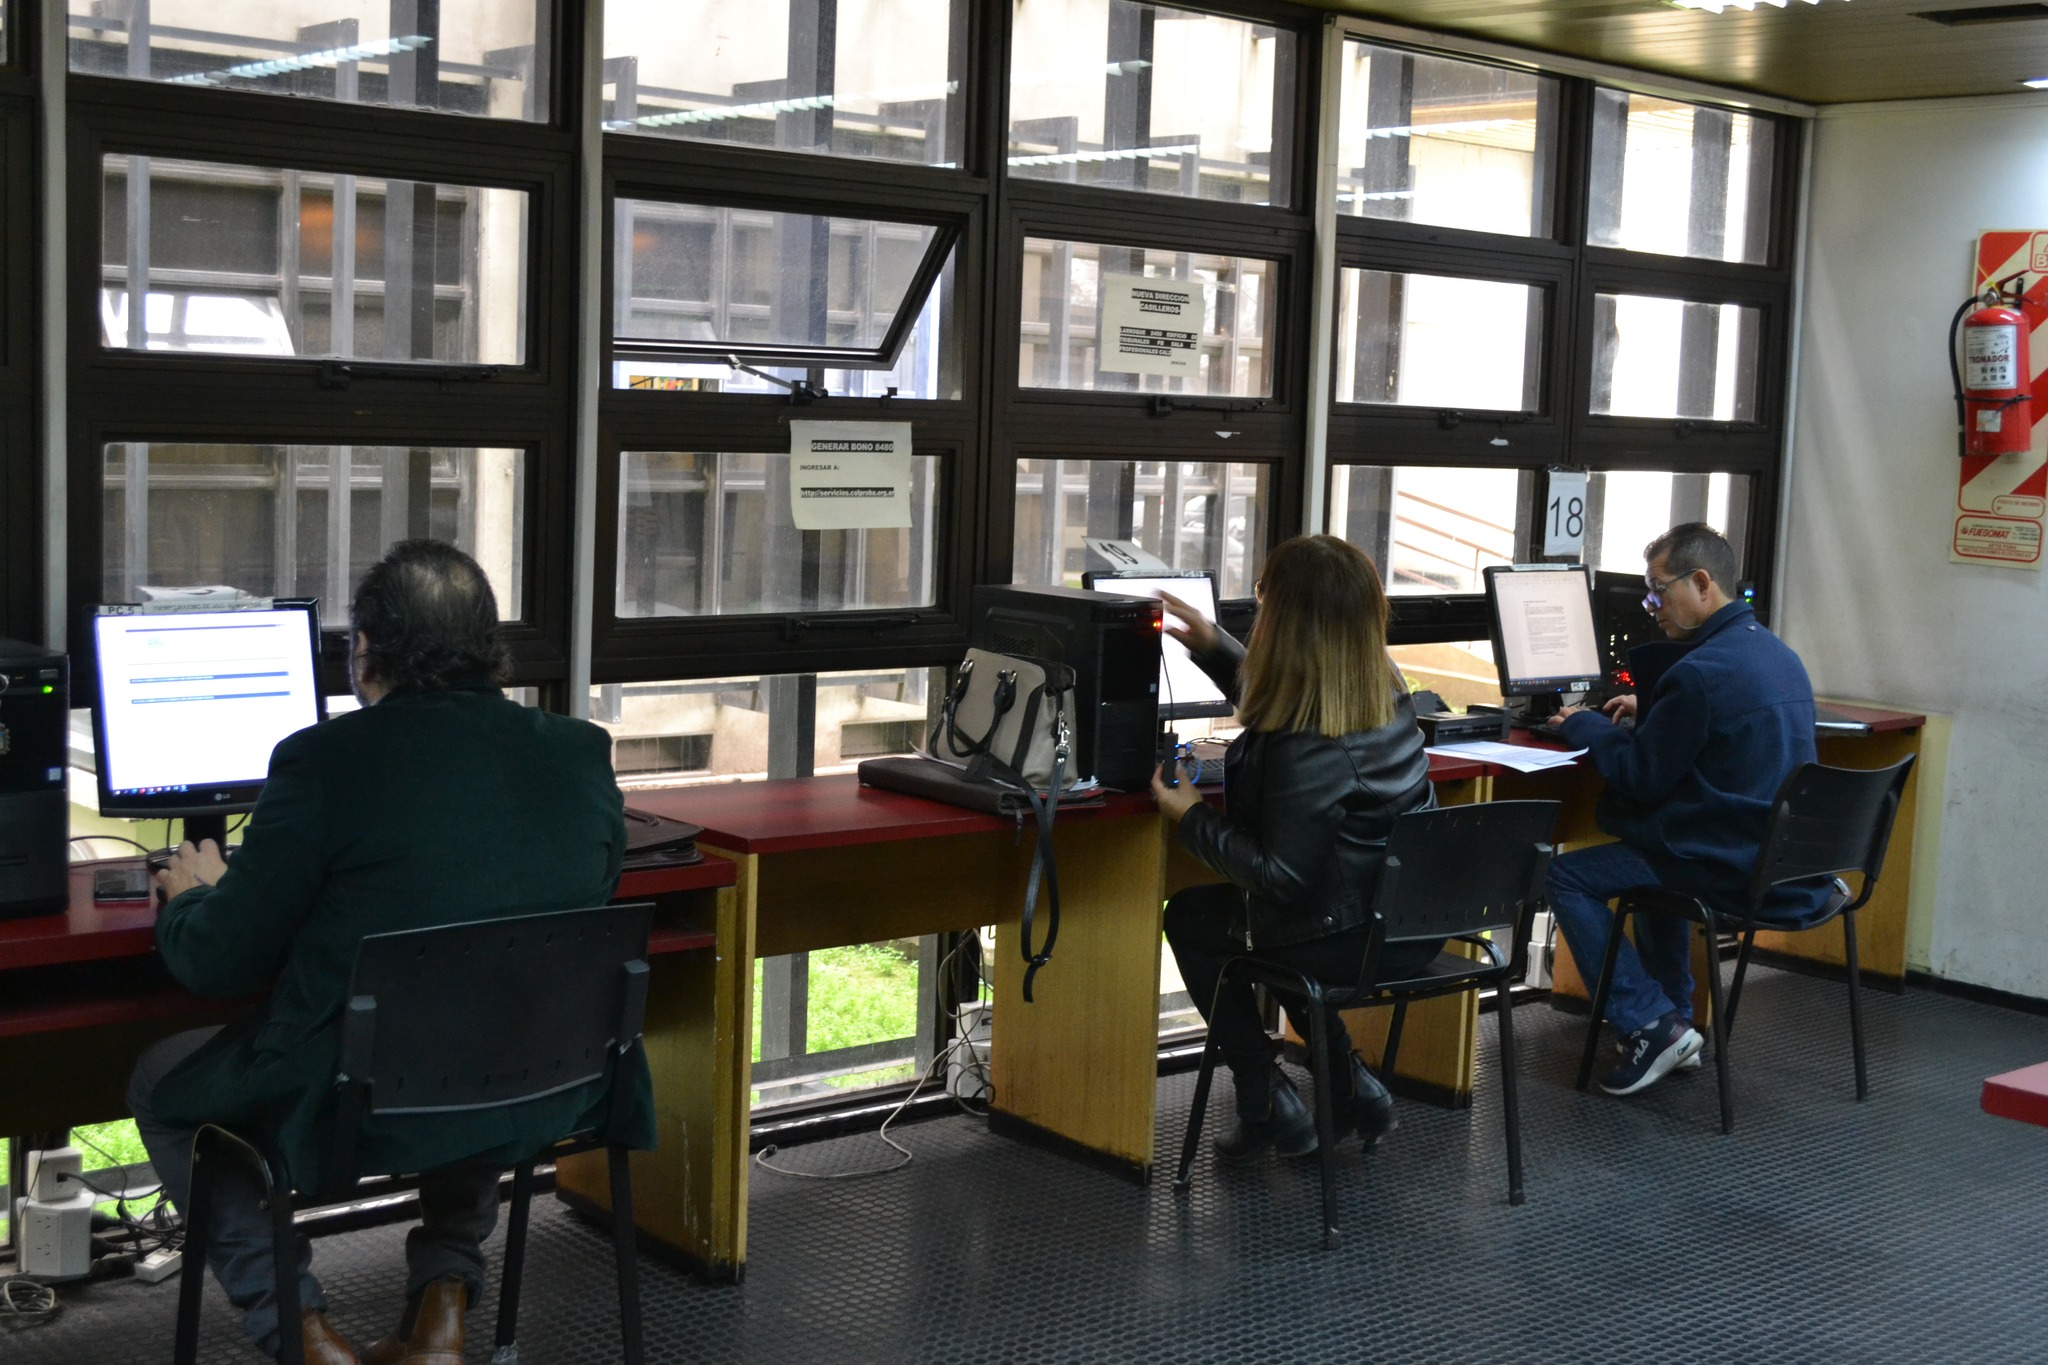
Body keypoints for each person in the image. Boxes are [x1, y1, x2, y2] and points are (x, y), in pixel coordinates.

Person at [128, 541, 637, 1365]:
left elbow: (218, 962)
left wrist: (191, 894)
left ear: (364, 650)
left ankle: (300, 1332)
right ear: (491, 646)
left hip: (350, 1101)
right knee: (485, 1017)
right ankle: (441, 1306)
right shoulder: (581, 752)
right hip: (549, 1075)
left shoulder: (324, 760)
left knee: (161, 1078)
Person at [1151, 534, 1437, 1163]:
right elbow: (1293, 694)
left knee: (1199, 920)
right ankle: (1352, 1088)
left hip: (1343, 935)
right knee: (1268, 932)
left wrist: (1190, 816)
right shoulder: (1383, 693)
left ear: (1283, 617)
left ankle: (1264, 1096)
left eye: (1262, 598)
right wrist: (1216, 645)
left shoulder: (1307, 741)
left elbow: (1280, 876)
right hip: (1404, 927)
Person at [1543, 522, 1826, 1097]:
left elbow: (1642, 778)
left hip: (1721, 859)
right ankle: (1673, 1024)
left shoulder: (1696, 675)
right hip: (1778, 860)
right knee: (1650, 858)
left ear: (1701, 583)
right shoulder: (1776, 654)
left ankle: (1650, 1023)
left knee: (1563, 874)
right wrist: (1655, 704)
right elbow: (1718, 715)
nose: (1652, 606)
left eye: (1658, 590)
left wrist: (1589, 725)